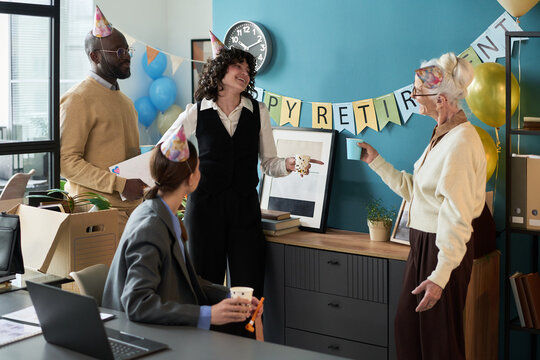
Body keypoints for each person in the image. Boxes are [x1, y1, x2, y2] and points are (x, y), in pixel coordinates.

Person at [159, 35, 322, 298]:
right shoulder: (196, 111)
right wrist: (185, 176)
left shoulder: (258, 112)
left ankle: (245, 338)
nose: (245, 73)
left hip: (244, 211)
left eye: (248, 70)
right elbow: (164, 149)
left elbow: (269, 164)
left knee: (249, 289)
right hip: (204, 210)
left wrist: (288, 164)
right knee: (203, 286)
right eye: (238, 66)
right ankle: (205, 338)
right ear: (219, 69)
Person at [357, 53, 493, 360]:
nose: (412, 94)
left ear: (441, 100)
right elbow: (418, 192)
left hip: (442, 249)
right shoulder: (441, 136)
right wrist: (376, 162)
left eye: (417, 90)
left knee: (438, 343)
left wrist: (440, 276)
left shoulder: (460, 143)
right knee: (409, 330)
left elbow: (457, 217)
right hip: (423, 245)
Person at [102, 126, 263, 335]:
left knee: (245, 319)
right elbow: (137, 304)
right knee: (244, 329)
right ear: (190, 178)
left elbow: (189, 280)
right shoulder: (150, 227)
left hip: (156, 321)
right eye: (198, 168)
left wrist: (231, 297)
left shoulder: (162, 213)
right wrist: (208, 314)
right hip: (138, 331)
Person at [60, 6, 146, 235]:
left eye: (127, 50)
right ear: (94, 56)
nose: (126, 56)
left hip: (133, 209)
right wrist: (119, 184)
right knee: (107, 272)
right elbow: (66, 162)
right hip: (98, 211)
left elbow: (129, 160)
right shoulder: (77, 99)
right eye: (118, 52)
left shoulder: (126, 103)